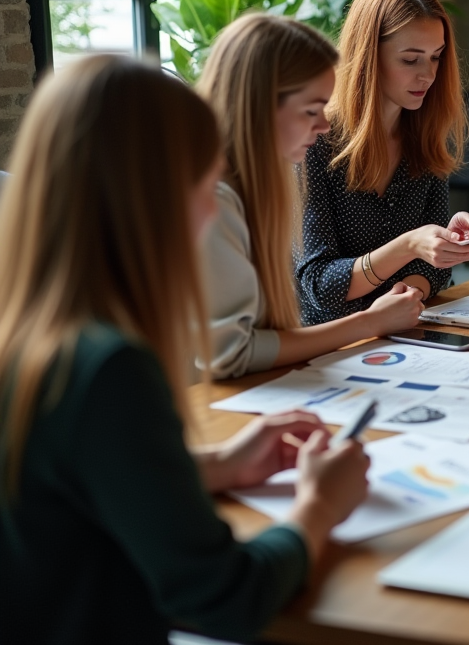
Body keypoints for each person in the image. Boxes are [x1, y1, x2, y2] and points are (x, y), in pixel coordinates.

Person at [0, 56, 369, 642]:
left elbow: (67, 486)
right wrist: (320, 506)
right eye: (207, 181)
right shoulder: (110, 367)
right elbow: (226, 595)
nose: (211, 206)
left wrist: (216, 465)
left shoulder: (28, 333)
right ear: (151, 195)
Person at [197, 15, 425, 379]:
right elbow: (231, 353)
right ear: (259, 107)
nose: (324, 126)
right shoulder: (213, 202)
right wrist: (369, 323)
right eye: (310, 111)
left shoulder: (259, 188)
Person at [297, 0, 469, 325]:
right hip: (329, 349)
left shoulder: (424, 136)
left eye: (435, 57)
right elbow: (319, 284)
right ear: (368, 56)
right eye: (410, 59)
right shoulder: (313, 141)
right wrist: (411, 245)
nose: (428, 75)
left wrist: (439, 250)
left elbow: (433, 274)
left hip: (405, 331)